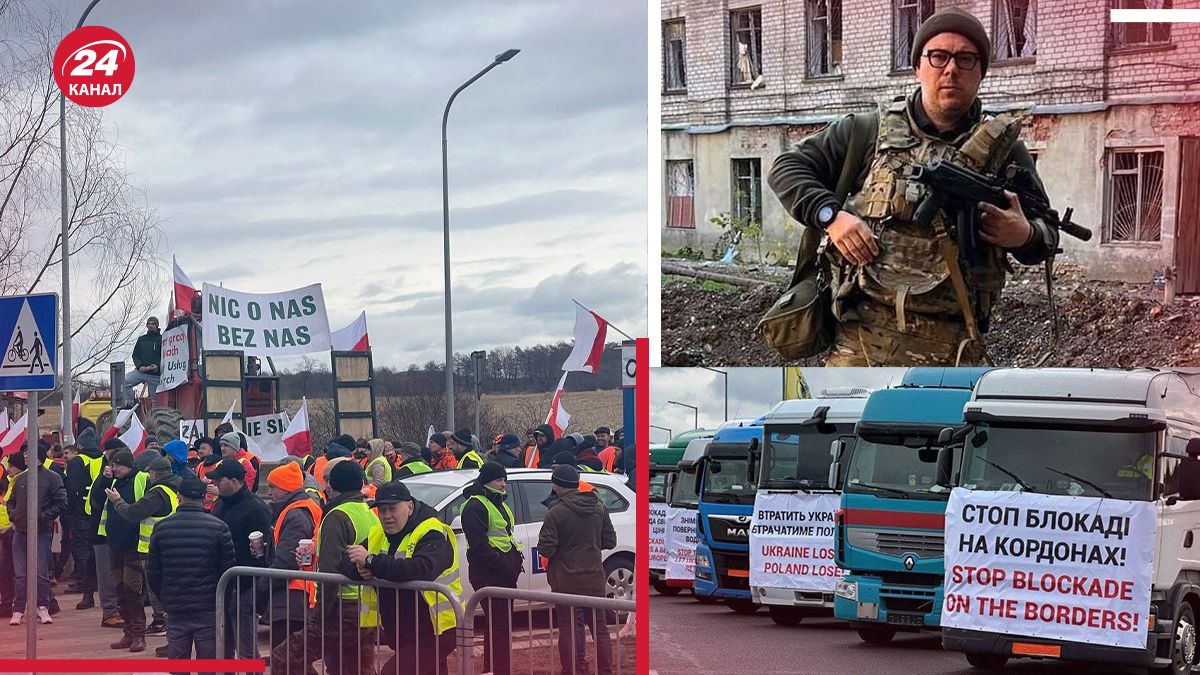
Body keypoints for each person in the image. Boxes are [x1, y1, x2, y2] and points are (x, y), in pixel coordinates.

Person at [767, 7, 1057, 366]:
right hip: (860, 346)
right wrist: (831, 217)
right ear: (918, 66)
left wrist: (1024, 234)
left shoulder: (1005, 151)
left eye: (966, 59)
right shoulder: (866, 132)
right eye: (938, 56)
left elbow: (1048, 234)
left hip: (956, 351)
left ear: (981, 72)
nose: (951, 69)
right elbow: (786, 167)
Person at [342, 481, 461, 675]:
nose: (386, 516)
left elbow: (421, 569)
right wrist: (361, 569)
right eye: (382, 510)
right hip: (404, 630)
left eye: (392, 509)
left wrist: (371, 562)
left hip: (435, 630)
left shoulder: (432, 531)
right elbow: (346, 560)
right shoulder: (378, 534)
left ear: (410, 507)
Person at [274, 460, 379, 675]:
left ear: (333, 484)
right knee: (356, 668)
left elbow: (330, 572)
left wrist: (319, 615)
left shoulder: (337, 516)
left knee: (284, 658)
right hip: (366, 607)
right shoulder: (369, 512)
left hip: (341, 608)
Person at [146, 478, 235, 670]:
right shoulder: (219, 527)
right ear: (204, 498)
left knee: (178, 663)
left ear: (179, 497)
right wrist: (220, 601)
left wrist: (165, 598)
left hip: (175, 606)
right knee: (208, 665)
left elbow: (152, 572)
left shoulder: (161, 528)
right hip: (208, 606)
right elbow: (228, 572)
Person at [538, 465, 617, 675]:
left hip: (566, 580)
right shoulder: (598, 508)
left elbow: (545, 548)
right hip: (594, 577)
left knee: (570, 629)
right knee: (600, 629)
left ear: (557, 486)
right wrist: (590, 545)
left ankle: (574, 669)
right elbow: (610, 541)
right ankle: (605, 671)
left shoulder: (555, 513)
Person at [105, 456, 179, 640]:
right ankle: (158, 629)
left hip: (151, 548)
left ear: (154, 474)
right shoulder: (174, 487)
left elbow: (133, 513)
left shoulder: (156, 494)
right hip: (167, 546)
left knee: (152, 591)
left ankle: (157, 627)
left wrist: (117, 501)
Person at [460, 463, 522, 674]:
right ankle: (499, 669)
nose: (503, 484)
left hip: (503, 575)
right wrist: (503, 565)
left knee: (498, 627)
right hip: (490, 575)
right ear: (487, 481)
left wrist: (512, 565)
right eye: (499, 480)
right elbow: (479, 545)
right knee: (500, 628)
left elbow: (506, 536)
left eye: (504, 480)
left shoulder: (497, 502)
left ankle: (494, 669)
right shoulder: (475, 505)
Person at [209, 459, 272, 660]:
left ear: (235, 482)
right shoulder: (220, 504)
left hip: (245, 585)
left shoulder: (256, 508)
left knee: (246, 646)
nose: (215, 484)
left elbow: (262, 552)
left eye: (220, 480)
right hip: (222, 583)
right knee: (223, 644)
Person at [6, 443, 67, 626]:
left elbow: (61, 502)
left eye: (28, 453)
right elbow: (11, 501)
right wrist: (14, 515)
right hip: (20, 532)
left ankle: (43, 607)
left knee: (41, 573)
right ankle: (18, 609)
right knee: (21, 575)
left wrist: (42, 517)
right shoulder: (20, 479)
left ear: (38, 456)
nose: (25, 456)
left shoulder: (52, 478)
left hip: (41, 532)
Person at [264, 462, 321, 650]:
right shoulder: (297, 510)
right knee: (292, 658)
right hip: (294, 595)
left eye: (273, 487)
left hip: (292, 596)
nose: (269, 492)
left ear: (286, 487)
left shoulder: (296, 515)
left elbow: (286, 562)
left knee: (285, 658)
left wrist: (259, 587)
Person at [97, 448, 148, 651]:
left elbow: (143, 508)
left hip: (134, 544)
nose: (114, 468)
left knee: (132, 589)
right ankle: (128, 632)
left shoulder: (141, 478)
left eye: (117, 465)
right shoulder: (114, 481)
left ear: (128, 465)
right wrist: (104, 479)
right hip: (115, 543)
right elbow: (96, 500)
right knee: (119, 590)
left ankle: (139, 634)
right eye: (113, 465)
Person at [87, 438, 125, 628]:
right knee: (106, 576)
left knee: (117, 575)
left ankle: (118, 610)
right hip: (101, 534)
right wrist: (106, 479)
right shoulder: (104, 474)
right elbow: (96, 500)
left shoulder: (124, 477)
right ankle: (110, 612)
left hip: (117, 534)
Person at [64, 430, 103, 601]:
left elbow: (71, 489)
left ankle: (84, 583)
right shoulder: (102, 459)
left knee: (81, 549)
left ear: (80, 445)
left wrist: (68, 511)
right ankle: (96, 583)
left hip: (80, 512)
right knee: (96, 551)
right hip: (98, 511)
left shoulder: (77, 461)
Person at [124, 317, 162, 404]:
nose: (150, 325)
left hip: (155, 375)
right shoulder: (141, 339)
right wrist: (140, 366)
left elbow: (165, 356)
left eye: (153, 323)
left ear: (157, 325)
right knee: (125, 381)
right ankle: (129, 404)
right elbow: (135, 355)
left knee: (155, 402)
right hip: (141, 372)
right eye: (149, 324)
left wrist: (157, 367)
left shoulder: (162, 339)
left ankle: (156, 412)